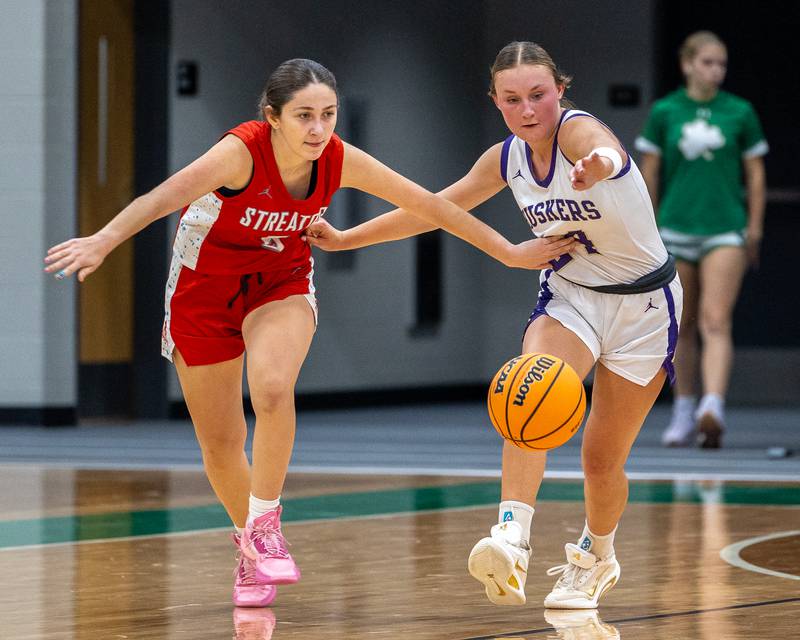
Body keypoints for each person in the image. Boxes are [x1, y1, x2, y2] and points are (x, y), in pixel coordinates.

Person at [43, 58, 573, 608]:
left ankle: (266, 524)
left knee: (273, 387)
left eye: (328, 114)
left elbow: (430, 205)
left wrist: (508, 252)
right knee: (220, 442)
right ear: (272, 117)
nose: (318, 129)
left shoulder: (339, 158)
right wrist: (103, 239)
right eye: (304, 116)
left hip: (281, 283)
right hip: (202, 291)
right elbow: (160, 199)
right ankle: (249, 545)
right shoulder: (239, 154)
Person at [304, 41, 682, 610]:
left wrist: (597, 167)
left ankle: (596, 557)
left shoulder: (578, 133)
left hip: (644, 308)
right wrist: (346, 238)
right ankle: (511, 537)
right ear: (496, 101)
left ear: (560, 91)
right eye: (512, 99)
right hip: (572, 296)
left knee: (601, 460)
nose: (528, 109)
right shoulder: (505, 159)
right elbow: (434, 208)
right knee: (529, 387)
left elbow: (605, 151)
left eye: (539, 94)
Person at [636, 31, 768, 449]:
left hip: (725, 227)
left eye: (722, 64)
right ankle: (683, 409)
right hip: (675, 227)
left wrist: (755, 227)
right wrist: (648, 227)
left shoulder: (740, 111)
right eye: (708, 62)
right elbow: (649, 171)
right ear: (688, 64)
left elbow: (755, 174)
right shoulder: (665, 111)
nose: (716, 71)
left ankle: (713, 406)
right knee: (681, 324)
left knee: (715, 319)